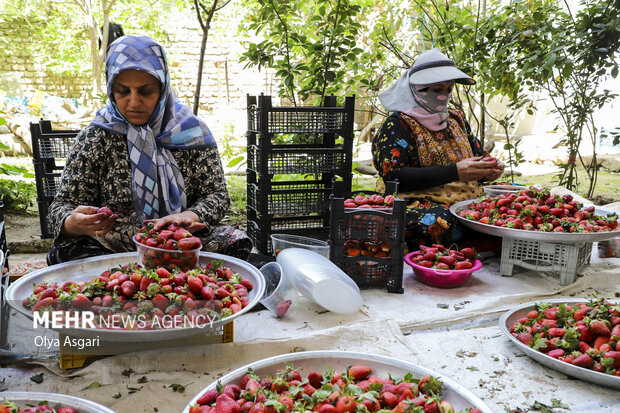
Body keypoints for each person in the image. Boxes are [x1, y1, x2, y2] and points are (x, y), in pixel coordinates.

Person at [47, 34, 252, 265]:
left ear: (163, 88)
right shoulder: (96, 137)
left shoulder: (191, 133)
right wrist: (71, 223)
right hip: (115, 244)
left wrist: (188, 216)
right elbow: (62, 204)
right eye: (123, 91)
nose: (134, 102)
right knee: (64, 254)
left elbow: (217, 195)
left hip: (179, 240)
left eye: (145, 91)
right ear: (110, 88)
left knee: (236, 242)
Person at [372, 48, 505, 250]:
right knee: (434, 224)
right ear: (416, 89)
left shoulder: (456, 119)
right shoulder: (398, 125)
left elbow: (477, 156)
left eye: (448, 89)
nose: (444, 95)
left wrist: (490, 169)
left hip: (464, 198)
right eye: (436, 89)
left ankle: (471, 242)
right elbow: (394, 175)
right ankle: (474, 243)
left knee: (510, 203)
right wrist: (454, 172)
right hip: (417, 200)